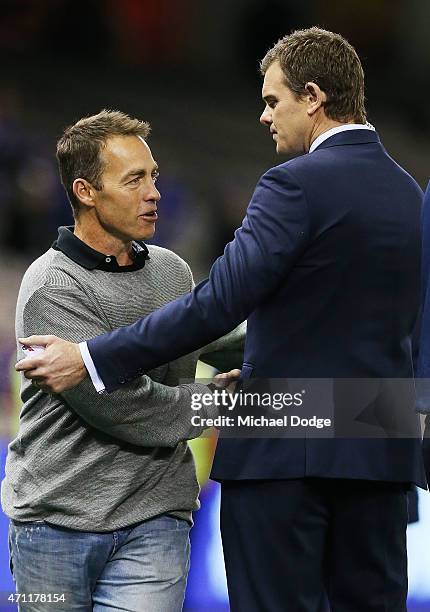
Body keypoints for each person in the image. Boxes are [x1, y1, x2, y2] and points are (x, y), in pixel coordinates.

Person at [17, 29, 426, 611]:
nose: (263, 116)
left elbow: (218, 305)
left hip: (288, 453)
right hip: (382, 448)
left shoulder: (293, 184)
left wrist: (90, 356)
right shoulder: (410, 193)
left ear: (312, 97)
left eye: (271, 100)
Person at [3, 110, 244, 612]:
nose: (154, 192)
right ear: (86, 191)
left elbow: (224, 339)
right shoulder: (52, 286)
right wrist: (218, 404)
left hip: (156, 518)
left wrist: (318, 336)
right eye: (134, 180)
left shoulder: (173, 271)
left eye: (153, 176)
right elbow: (119, 404)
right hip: (55, 525)